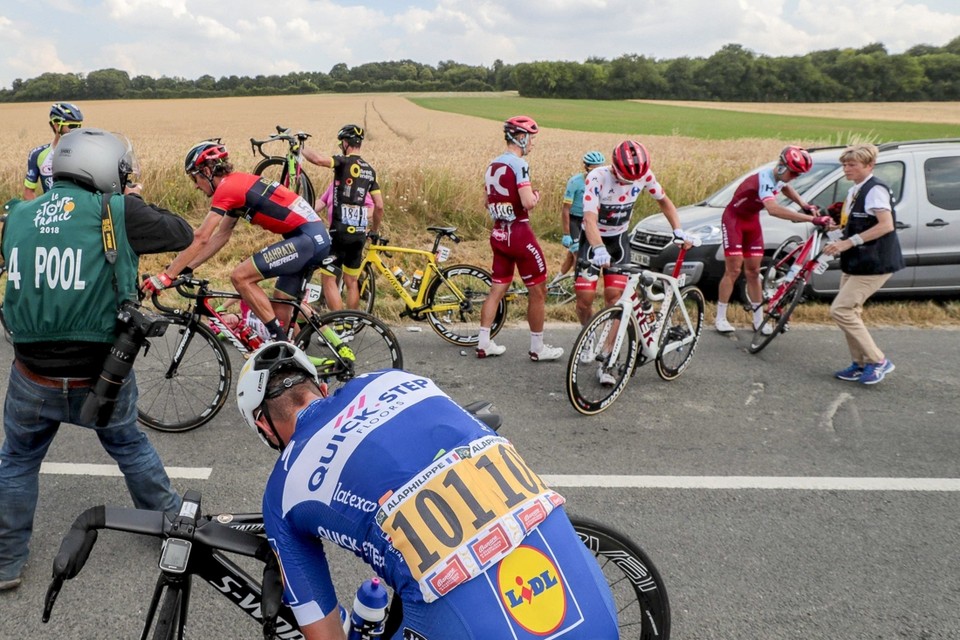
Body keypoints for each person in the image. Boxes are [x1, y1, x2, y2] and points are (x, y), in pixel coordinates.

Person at [235, 342, 620, 639]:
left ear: (265, 428)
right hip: (591, 605)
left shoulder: (284, 490)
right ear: (319, 386)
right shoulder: (394, 379)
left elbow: (323, 631)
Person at [0, 128, 193, 592]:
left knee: (18, 460)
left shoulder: (18, 214)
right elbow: (182, 231)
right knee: (128, 445)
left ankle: (6, 563)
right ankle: (172, 527)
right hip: (101, 374)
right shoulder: (118, 210)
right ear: (104, 168)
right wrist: (131, 197)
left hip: (31, 373)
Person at [142, 139, 338, 348]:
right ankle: (308, 356)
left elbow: (202, 236)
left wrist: (167, 275)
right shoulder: (237, 184)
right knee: (281, 305)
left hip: (307, 240)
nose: (196, 186)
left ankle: (277, 342)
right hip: (309, 238)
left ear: (207, 171)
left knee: (240, 276)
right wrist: (187, 267)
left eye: (195, 178)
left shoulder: (227, 188)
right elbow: (221, 236)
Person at [577, 141, 692, 383]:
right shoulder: (597, 177)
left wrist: (678, 229)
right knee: (584, 300)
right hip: (593, 239)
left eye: (634, 180)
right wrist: (597, 247)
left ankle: (608, 357)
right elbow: (588, 219)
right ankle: (587, 335)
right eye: (626, 179)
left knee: (615, 298)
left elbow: (664, 201)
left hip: (619, 241)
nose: (630, 183)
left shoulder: (645, 176)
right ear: (614, 167)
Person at [714, 145, 831, 334]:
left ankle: (758, 320)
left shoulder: (779, 177)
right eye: (794, 173)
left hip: (751, 221)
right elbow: (774, 209)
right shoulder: (765, 179)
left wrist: (804, 204)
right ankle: (720, 317)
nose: (795, 177)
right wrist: (812, 218)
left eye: (798, 175)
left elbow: (785, 188)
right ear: (783, 166)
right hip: (734, 220)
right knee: (734, 270)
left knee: (753, 272)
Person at [476, 116, 563, 361]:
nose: (533, 144)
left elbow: (486, 202)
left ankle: (484, 343)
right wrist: (536, 196)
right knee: (538, 290)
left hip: (498, 233)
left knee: (496, 290)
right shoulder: (519, 164)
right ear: (521, 137)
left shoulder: (492, 165)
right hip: (519, 233)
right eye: (531, 138)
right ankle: (537, 347)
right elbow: (527, 202)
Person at [821, 143, 903, 385]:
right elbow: (859, 221)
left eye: (852, 164)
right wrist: (838, 229)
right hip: (857, 261)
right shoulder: (856, 190)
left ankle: (878, 361)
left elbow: (886, 225)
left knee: (841, 310)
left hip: (875, 261)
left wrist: (848, 243)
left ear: (869, 165)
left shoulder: (875, 189)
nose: (846, 169)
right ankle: (859, 364)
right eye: (845, 164)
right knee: (851, 311)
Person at [302, 124, 384, 311]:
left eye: (342, 143)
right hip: (359, 236)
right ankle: (349, 325)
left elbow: (318, 160)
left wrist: (299, 147)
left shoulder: (343, 162)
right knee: (351, 281)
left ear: (346, 143)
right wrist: (374, 230)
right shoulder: (369, 171)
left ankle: (338, 326)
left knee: (329, 279)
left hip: (338, 233)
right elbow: (379, 206)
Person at [554, 150, 606, 283]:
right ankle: (578, 285)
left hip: (589, 220)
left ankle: (557, 280)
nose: (597, 172)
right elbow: (566, 209)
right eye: (594, 168)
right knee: (579, 255)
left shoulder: (603, 181)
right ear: (586, 167)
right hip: (574, 220)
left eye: (600, 168)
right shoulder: (575, 182)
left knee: (571, 257)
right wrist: (566, 233)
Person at [22, 102, 84, 200]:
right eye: (72, 126)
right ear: (56, 125)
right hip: (52, 211)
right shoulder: (37, 154)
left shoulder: (85, 152)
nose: (76, 130)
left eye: (79, 126)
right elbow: (28, 191)